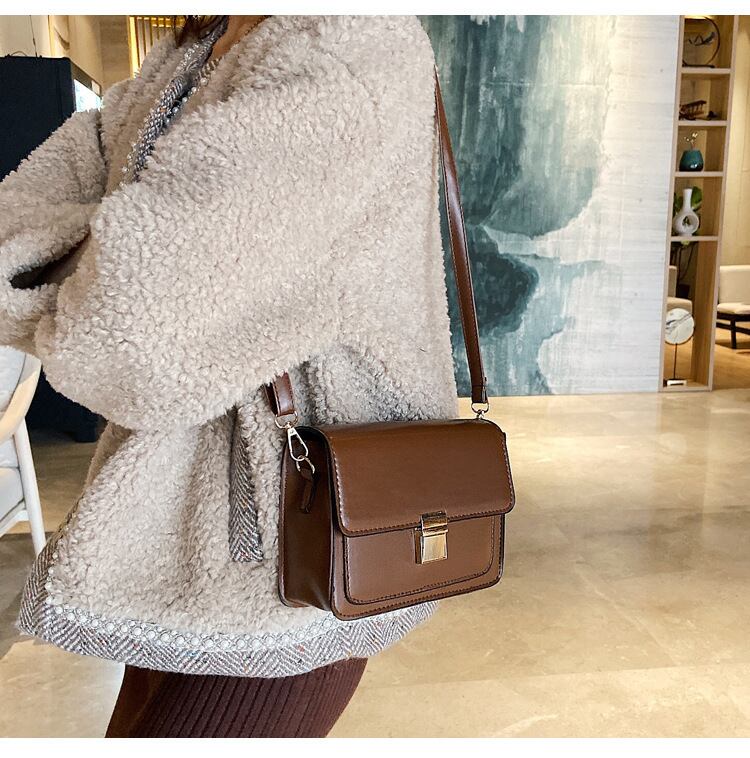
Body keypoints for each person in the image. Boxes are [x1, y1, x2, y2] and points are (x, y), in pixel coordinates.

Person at [0, 15, 459, 737]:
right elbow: (20, 220)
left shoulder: (345, 47)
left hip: (286, 556)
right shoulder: (187, 53)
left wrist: (87, 278)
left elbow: (136, 338)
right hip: (175, 531)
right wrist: (107, 277)